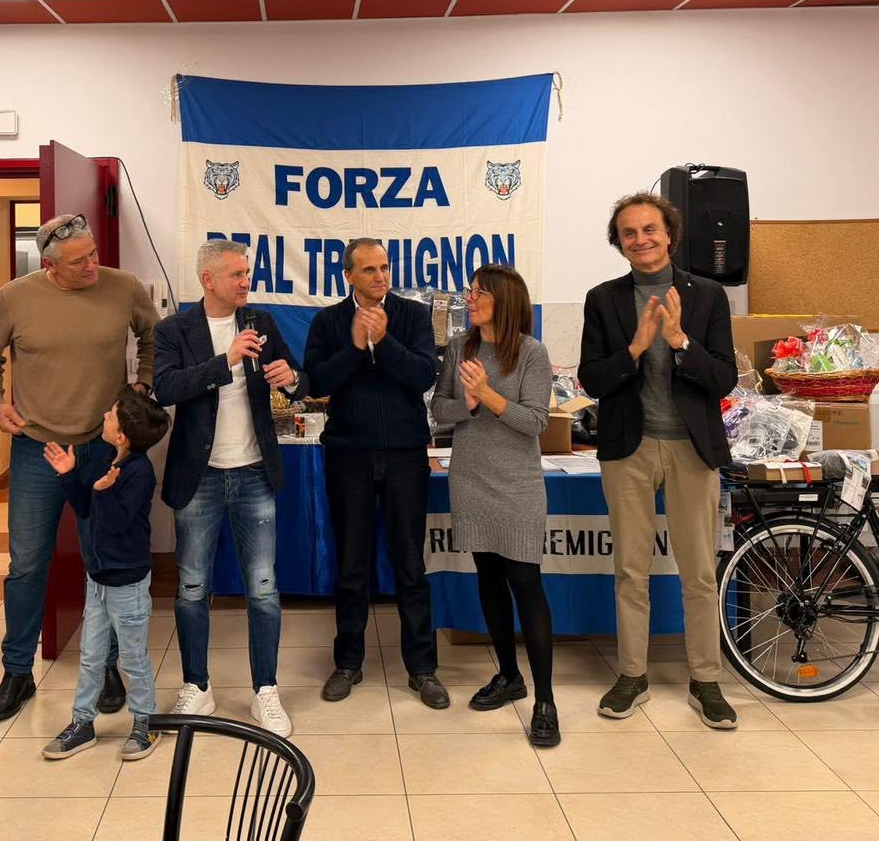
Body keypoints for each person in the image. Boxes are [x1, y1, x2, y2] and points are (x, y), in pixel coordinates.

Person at [0, 213, 160, 721]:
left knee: (103, 562)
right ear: (50, 265)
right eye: (79, 261)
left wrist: (143, 384)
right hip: (37, 447)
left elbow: (155, 337)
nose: (92, 265)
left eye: (94, 253)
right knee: (27, 564)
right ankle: (17, 671)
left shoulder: (123, 288)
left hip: (103, 447)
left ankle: (106, 666)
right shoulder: (15, 298)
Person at [579, 192, 739, 730]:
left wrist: (678, 341)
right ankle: (632, 674)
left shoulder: (708, 295)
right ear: (619, 243)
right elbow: (592, 379)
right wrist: (635, 346)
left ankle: (706, 680)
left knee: (699, 572)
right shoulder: (603, 299)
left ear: (669, 234)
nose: (641, 240)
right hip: (630, 449)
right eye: (629, 233)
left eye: (650, 229)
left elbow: (723, 379)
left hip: (693, 449)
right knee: (631, 571)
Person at [154, 239, 307, 738]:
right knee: (192, 588)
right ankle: (196, 685)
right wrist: (227, 361)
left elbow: (298, 382)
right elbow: (166, 388)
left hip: (255, 472)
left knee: (262, 588)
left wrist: (291, 378)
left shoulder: (261, 322)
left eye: (247, 273)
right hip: (198, 477)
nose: (246, 282)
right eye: (237, 274)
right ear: (208, 280)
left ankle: (266, 690)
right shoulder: (174, 330)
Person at [304, 237, 447, 709]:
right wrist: (354, 346)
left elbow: (423, 376)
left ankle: (422, 668)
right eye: (368, 269)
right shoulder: (328, 321)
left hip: (405, 454)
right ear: (348, 275)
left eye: (384, 267)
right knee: (352, 565)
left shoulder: (412, 316)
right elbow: (316, 383)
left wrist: (383, 342)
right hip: (349, 455)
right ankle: (348, 662)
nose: (380, 276)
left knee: (410, 565)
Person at [431, 264, 559, 748]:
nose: (469, 298)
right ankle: (509, 675)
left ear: (503, 300)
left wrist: (486, 393)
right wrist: (467, 402)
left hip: (517, 484)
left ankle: (545, 701)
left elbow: (536, 422)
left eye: (478, 292)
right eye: (470, 291)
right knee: (488, 578)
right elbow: (439, 410)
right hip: (470, 479)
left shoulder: (531, 352)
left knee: (526, 584)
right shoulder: (459, 348)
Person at [39, 388, 171, 763]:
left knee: (133, 659)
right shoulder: (111, 464)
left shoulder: (138, 473)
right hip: (97, 581)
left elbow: (117, 522)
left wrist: (103, 492)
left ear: (122, 435)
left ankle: (146, 722)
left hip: (127, 585)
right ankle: (83, 723)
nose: (104, 417)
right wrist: (70, 477)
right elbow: (86, 509)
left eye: (111, 415)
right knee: (91, 656)